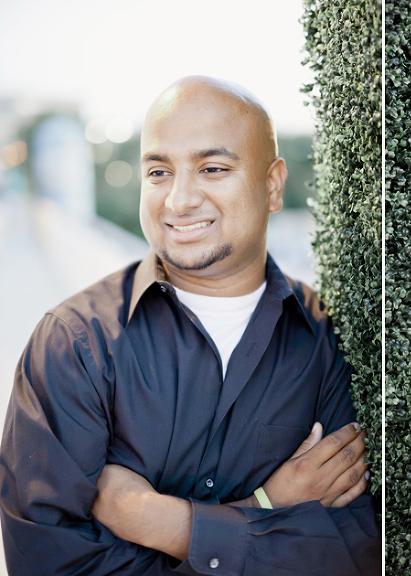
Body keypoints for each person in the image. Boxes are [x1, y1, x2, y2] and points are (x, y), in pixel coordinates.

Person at [0, 76, 380, 575]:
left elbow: (355, 554)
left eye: (212, 168)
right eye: (159, 171)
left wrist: (165, 523)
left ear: (272, 184)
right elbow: (52, 565)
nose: (178, 200)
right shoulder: (74, 344)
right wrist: (267, 505)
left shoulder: (328, 340)